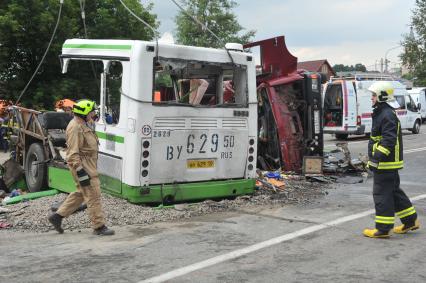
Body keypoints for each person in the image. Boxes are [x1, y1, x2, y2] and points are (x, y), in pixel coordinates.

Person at [48, 99, 114, 236]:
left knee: (81, 193)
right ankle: (99, 227)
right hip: (83, 166)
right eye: (92, 112)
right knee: (93, 196)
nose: (93, 114)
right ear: (84, 113)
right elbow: (72, 153)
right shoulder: (75, 127)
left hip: (88, 165)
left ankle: (57, 216)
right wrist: (81, 171)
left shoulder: (83, 124)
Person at [363, 81, 420, 238]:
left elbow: (388, 140)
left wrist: (375, 160)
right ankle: (411, 221)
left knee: (381, 194)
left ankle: (382, 229)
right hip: (387, 163)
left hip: (385, 163)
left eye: (374, 95)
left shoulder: (386, 114)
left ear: (381, 96)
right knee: (394, 192)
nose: (371, 98)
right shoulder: (384, 112)